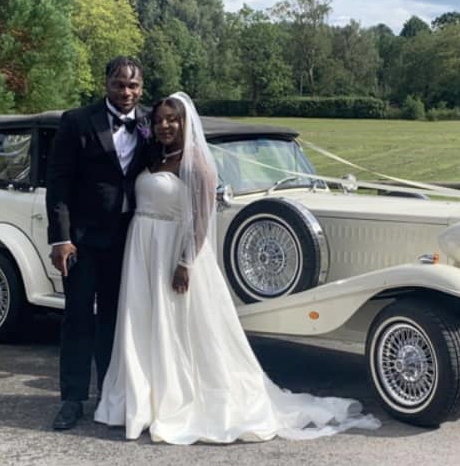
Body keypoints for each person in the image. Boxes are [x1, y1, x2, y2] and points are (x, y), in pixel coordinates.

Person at [94, 92, 381, 444]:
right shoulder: (154, 156)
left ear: (185, 123)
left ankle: (176, 400)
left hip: (174, 251)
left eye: (172, 119)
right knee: (142, 321)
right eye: (158, 120)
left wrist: (185, 262)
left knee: (177, 327)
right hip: (141, 250)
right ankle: (141, 399)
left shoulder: (197, 164)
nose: (164, 125)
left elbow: (202, 218)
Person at [46, 57, 152, 430]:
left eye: (133, 85)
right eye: (119, 84)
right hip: (82, 239)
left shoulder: (150, 122)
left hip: (129, 238)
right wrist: (60, 238)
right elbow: (58, 182)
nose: (126, 92)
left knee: (115, 318)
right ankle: (72, 399)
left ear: (141, 87)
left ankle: (110, 395)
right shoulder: (77, 121)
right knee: (77, 317)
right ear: (105, 83)